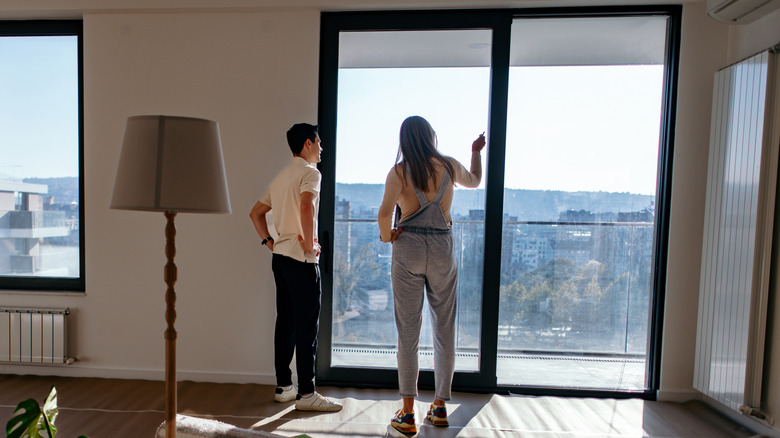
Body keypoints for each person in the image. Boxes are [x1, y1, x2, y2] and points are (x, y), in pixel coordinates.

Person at [378, 116, 486, 435]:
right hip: (442, 247)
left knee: (408, 331)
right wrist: (476, 151)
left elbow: (385, 214)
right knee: (444, 327)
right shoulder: (449, 166)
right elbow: (477, 180)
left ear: (404, 140)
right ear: (431, 136)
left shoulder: (399, 171)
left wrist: (388, 236)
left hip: (408, 246)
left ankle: (408, 413)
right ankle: (439, 407)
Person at [249, 123, 342, 412]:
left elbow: (256, 212)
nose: (321, 148)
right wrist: (309, 244)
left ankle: (284, 387)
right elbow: (306, 207)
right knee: (307, 327)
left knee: (285, 322)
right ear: (307, 144)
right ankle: (307, 394)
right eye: (319, 142)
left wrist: (269, 240)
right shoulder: (310, 173)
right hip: (300, 260)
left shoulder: (280, 177)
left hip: (280, 258)